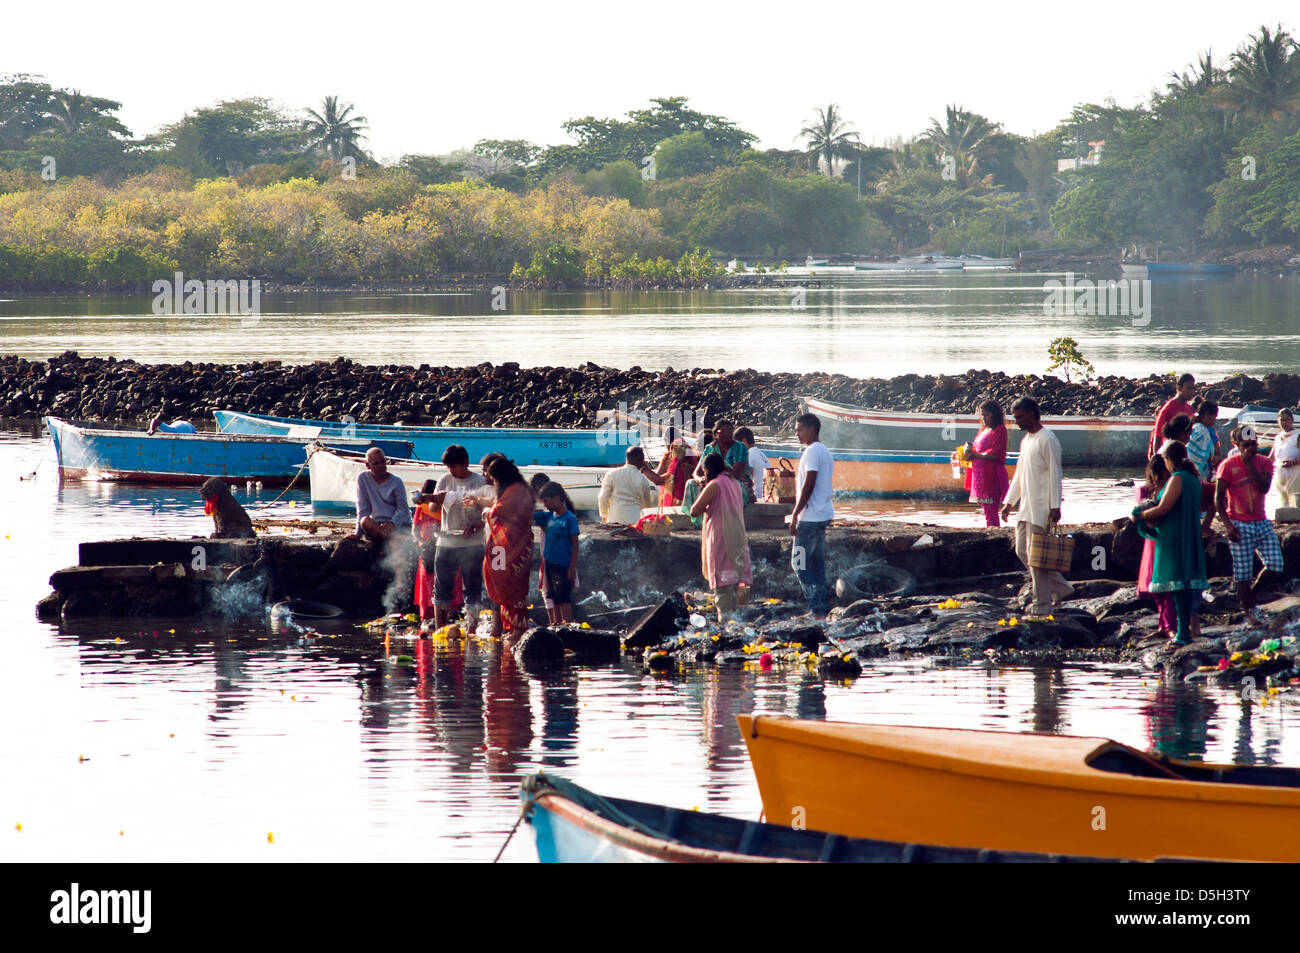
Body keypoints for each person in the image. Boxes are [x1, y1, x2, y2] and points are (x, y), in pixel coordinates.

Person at [1001, 396, 1073, 614]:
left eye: (1020, 417)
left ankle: (1042, 604)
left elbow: (1055, 473)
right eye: (1015, 418)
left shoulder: (1047, 439)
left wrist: (1055, 505)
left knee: (1036, 558)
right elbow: (1020, 475)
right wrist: (1008, 503)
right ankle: (1061, 588)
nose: (1018, 422)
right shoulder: (1026, 441)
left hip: (1042, 507)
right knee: (1022, 551)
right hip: (1026, 507)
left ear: (1032, 414)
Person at [1134, 443, 1208, 646]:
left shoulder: (1178, 478)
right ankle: (1182, 631)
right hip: (1189, 534)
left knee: (1177, 585)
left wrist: (1140, 515)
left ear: (1168, 459)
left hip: (1174, 537)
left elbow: (1163, 509)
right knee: (1183, 585)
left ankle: (1182, 633)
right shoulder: (1193, 479)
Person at [1215, 424, 1285, 613]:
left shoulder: (1264, 463)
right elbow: (1218, 499)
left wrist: (1249, 465)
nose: (1250, 449)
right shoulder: (1227, 466)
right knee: (1243, 573)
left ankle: (1251, 595)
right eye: (1245, 445)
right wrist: (1228, 526)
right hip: (1238, 523)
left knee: (1276, 564)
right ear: (1236, 444)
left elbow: (1264, 488)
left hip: (1261, 521)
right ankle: (1249, 611)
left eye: (1253, 444)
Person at [424, 445, 487, 633]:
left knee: (473, 588)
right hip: (446, 541)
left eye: (454, 467)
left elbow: (486, 514)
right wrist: (438, 499)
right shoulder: (444, 480)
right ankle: (440, 629)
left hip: (472, 542)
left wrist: (474, 526)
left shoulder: (478, 482)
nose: (451, 471)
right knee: (441, 588)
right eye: (449, 467)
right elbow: (434, 510)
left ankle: (472, 629)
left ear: (465, 463)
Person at [472, 457, 534, 638]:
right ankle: (513, 628)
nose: (493, 482)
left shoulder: (515, 491)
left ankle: (518, 629)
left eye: (494, 478)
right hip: (511, 545)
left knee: (514, 587)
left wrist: (487, 513)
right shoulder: (515, 488)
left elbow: (498, 511)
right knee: (508, 586)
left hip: (516, 547)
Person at [690, 453, 753, 621]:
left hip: (721, 536)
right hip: (738, 536)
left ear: (708, 469)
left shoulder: (715, 485)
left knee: (723, 586)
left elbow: (694, 510)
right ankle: (733, 623)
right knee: (732, 584)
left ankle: (725, 625)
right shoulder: (734, 483)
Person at [790, 412, 834, 618]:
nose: (797, 433)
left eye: (799, 429)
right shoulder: (824, 450)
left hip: (810, 517)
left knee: (798, 563)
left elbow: (809, 483)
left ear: (811, 429)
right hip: (822, 514)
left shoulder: (812, 452)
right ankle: (821, 607)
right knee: (816, 563)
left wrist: (795, 513)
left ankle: (815, 608)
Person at [1134, 456, 1175, 639]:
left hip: (1160, 541)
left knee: (1164, 583)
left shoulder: (1167, 490)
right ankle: (1164, 624)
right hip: (1156, 541)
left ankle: (1168, 624)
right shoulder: (1150, 491)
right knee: (1158, 583)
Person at [533, 482, 580, 624]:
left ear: (557, 498)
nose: (545, 505)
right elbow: (528, 514)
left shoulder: (570, 519)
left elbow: (575, 545)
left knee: (563, 598)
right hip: (550, 563)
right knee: (553, 596)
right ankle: (556, 625)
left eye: (546, 501)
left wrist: (572, 568)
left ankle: (568, 626)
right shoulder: (548, 516)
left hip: (563, 564)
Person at [962, 400, 1009, 527]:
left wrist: (974, 455)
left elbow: (996, 454)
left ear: (995, 414)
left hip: (991, 476)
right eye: (982, 415)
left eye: (987, 415)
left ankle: (994, 532)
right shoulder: (984, 429)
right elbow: (977, 449)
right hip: (980, 476)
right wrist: (964, 454)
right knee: (987, 510)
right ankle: (992, 530)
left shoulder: (1000, 430)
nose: (984, 418)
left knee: (991, 510)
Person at [355, 448, 410, 541]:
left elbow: (403, 510)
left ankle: (391, 539)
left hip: (398, 526)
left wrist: (392, 524)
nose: (381, 466)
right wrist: (357, 534)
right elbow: (363, 510)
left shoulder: (397, 482)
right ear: (368, 465)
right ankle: (390, 538)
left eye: (383, 462)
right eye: (376, 463)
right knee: (364, 520)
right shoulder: (362, 478)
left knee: (391, 532)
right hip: (378, 526)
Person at [696, 420, 754, 503]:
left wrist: (715, 481)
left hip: (735, 482)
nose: (727, 434)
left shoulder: (740, 447)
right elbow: (697, 472)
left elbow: (736, 473)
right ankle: (697, 514)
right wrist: (699, 479)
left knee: (720, 486)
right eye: (723, 431)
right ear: (715, 434)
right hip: (713, 481)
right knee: (691, 483)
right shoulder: (710, 448)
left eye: (730, 430)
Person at [598, 446, 658, 524]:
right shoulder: (643, 479)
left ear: (627, 458)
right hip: (635, 522)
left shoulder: (612, 474)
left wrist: (604, 515)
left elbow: (603, 497)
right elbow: (647, 505)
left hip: (614, 520)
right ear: (640, 461)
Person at [1149, 373, 1196, 458]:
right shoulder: (1168, 409)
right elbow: (1157, 436)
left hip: (1184, 455)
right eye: (1188, 388)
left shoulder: (1190, 409)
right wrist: (1157, 459)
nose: (1191, 392)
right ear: (1179, 388)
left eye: (1193, 388)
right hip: (1168, 455)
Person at [1270, 408, 1300, 507]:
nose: (1284, 423)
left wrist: (1292, 462)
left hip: (1296, 475)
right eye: (1281, 420)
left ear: (1292, 420)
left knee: (1296, 504)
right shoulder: (1278, 438)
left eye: (1287, 420)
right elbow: (1271, 458)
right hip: (1280, 476)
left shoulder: (1297, 436)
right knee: (1283, 504)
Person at [735, 427, 770, 502]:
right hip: (765, 494)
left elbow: (748, 478)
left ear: (744, 441)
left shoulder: (749, 454)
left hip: (757, 496)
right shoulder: (761, 454)